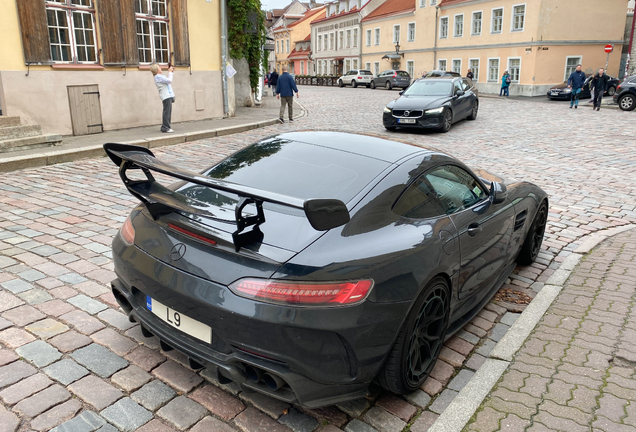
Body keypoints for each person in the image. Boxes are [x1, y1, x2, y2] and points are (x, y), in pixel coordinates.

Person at [149, 64, 175, 133]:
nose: (161, 68)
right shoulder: (158, 77)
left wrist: (171, 72)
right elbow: (169, 80)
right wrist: (170, 72)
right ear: (157, 70)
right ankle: (165, 127)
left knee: (168, 112)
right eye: (159, 68)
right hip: (166, 96)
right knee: (167, 112)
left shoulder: (159, 77)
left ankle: (166, 126)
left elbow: (167, 81)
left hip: (167, 96)